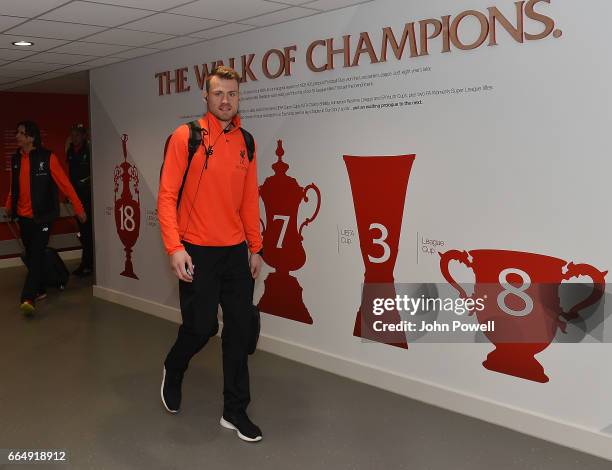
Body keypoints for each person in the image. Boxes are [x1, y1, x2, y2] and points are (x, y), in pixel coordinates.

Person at [157, 66, 264, 442]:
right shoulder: (185, 137)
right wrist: (174, 247)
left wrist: (255, 246)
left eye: (232, 94)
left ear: (238, 97)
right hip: (196, 250)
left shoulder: (246, 142)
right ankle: (174, 363)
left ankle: (234, 411)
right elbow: (167, 196)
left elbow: (249, 199)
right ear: (206, 96)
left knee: (239, 331)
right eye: (219, 93)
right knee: (202, 327)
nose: (225, 100)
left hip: (235, 252)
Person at [4, 121, 86, 315]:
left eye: (21, 133)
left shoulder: (47, 158)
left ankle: (28, 297)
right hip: (23, 218)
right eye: (17, 132)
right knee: (32, 256)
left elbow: (65, 185)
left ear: (31, 138)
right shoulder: (16, 159)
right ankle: (40, 288)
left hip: (43, 217)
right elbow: (13, 186)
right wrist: (9, 206)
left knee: (38, 253)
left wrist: (78, 208)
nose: (17, 136)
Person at [66, 124, 93, 276]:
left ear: (83, 136)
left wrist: (82, 184)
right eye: (72, 134)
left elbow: (92, 173)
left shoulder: (88, 150)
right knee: (82, 231)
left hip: (87, 197)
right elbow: (71, 174)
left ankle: (89, 263)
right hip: (76, 197)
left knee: (87, 231)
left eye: (77, 135)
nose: (74, 137)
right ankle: (85, 262)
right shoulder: (70, 151)